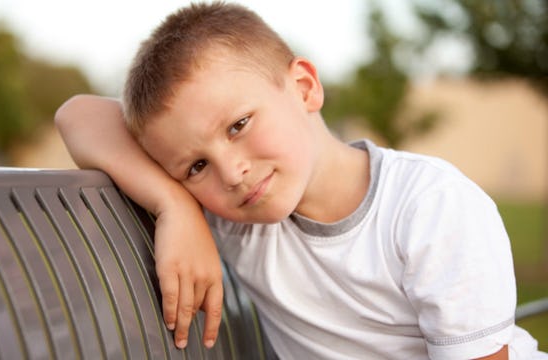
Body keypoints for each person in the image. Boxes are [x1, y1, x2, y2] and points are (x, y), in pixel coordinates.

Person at [55, 2, 546, 359]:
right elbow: (77, 114)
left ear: (305, 87)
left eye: (239, 125)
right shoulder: (235, 220)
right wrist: (175, 204)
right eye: (196, 167)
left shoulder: (429, 206)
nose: (231, 172)